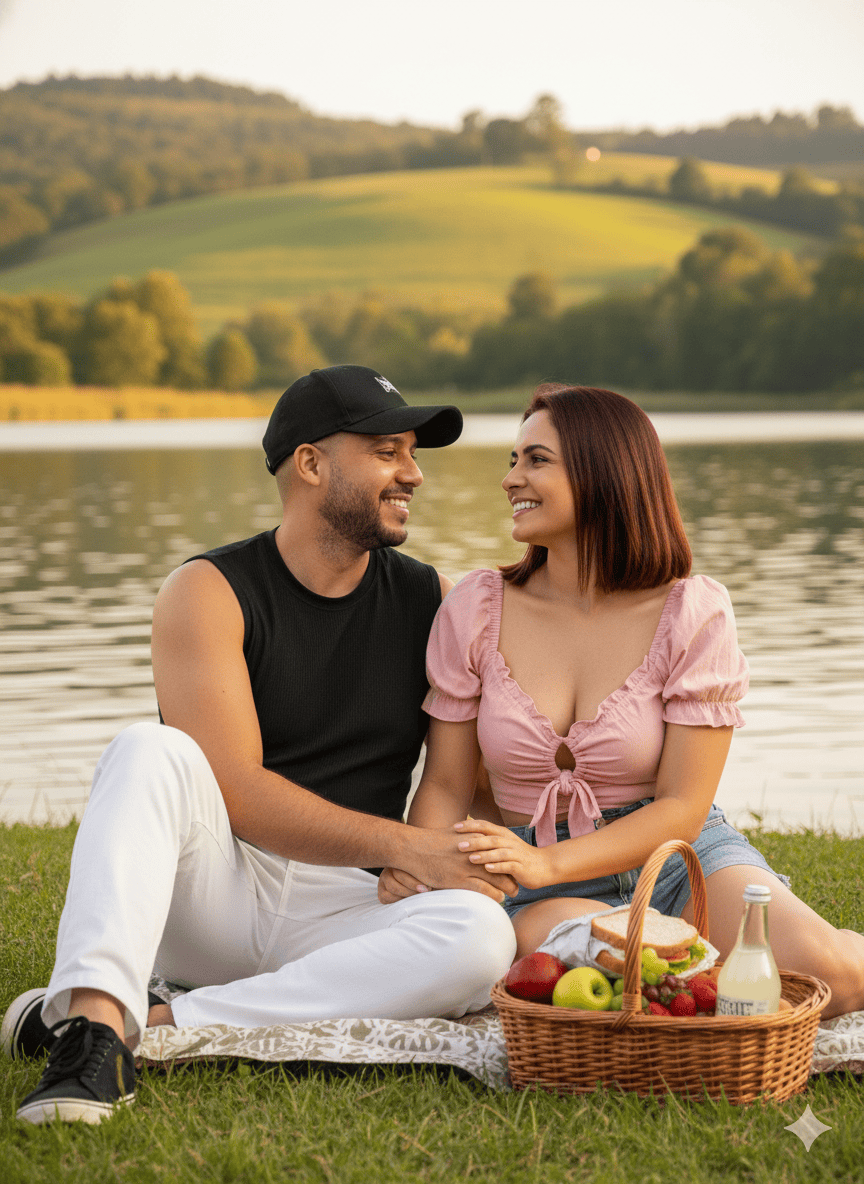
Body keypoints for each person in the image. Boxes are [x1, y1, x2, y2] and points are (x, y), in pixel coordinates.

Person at [3, 365, 517, 1125]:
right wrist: (408, 846)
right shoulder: (208, 590)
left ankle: (152, 1027)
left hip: (349, 908)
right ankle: (91, 1035)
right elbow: (237, 791)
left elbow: (461, 776)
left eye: (412, 453)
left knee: (478, 937)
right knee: (149, 751)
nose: (412, 473)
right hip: (218, 894)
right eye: (386, 451)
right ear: (310, 464)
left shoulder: (431, 599)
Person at [380, 383, 864, 1020]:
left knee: (828, 976)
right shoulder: (474, 608)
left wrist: (546, 859)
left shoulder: (692, 613)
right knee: (639, 982)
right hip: (529, 877)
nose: (510, 479)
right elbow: (444, 783)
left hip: (678, 859)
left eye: (536, 460)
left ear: (603, 471)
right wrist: (425, 869)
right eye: (513, 459)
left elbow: (683, 809)